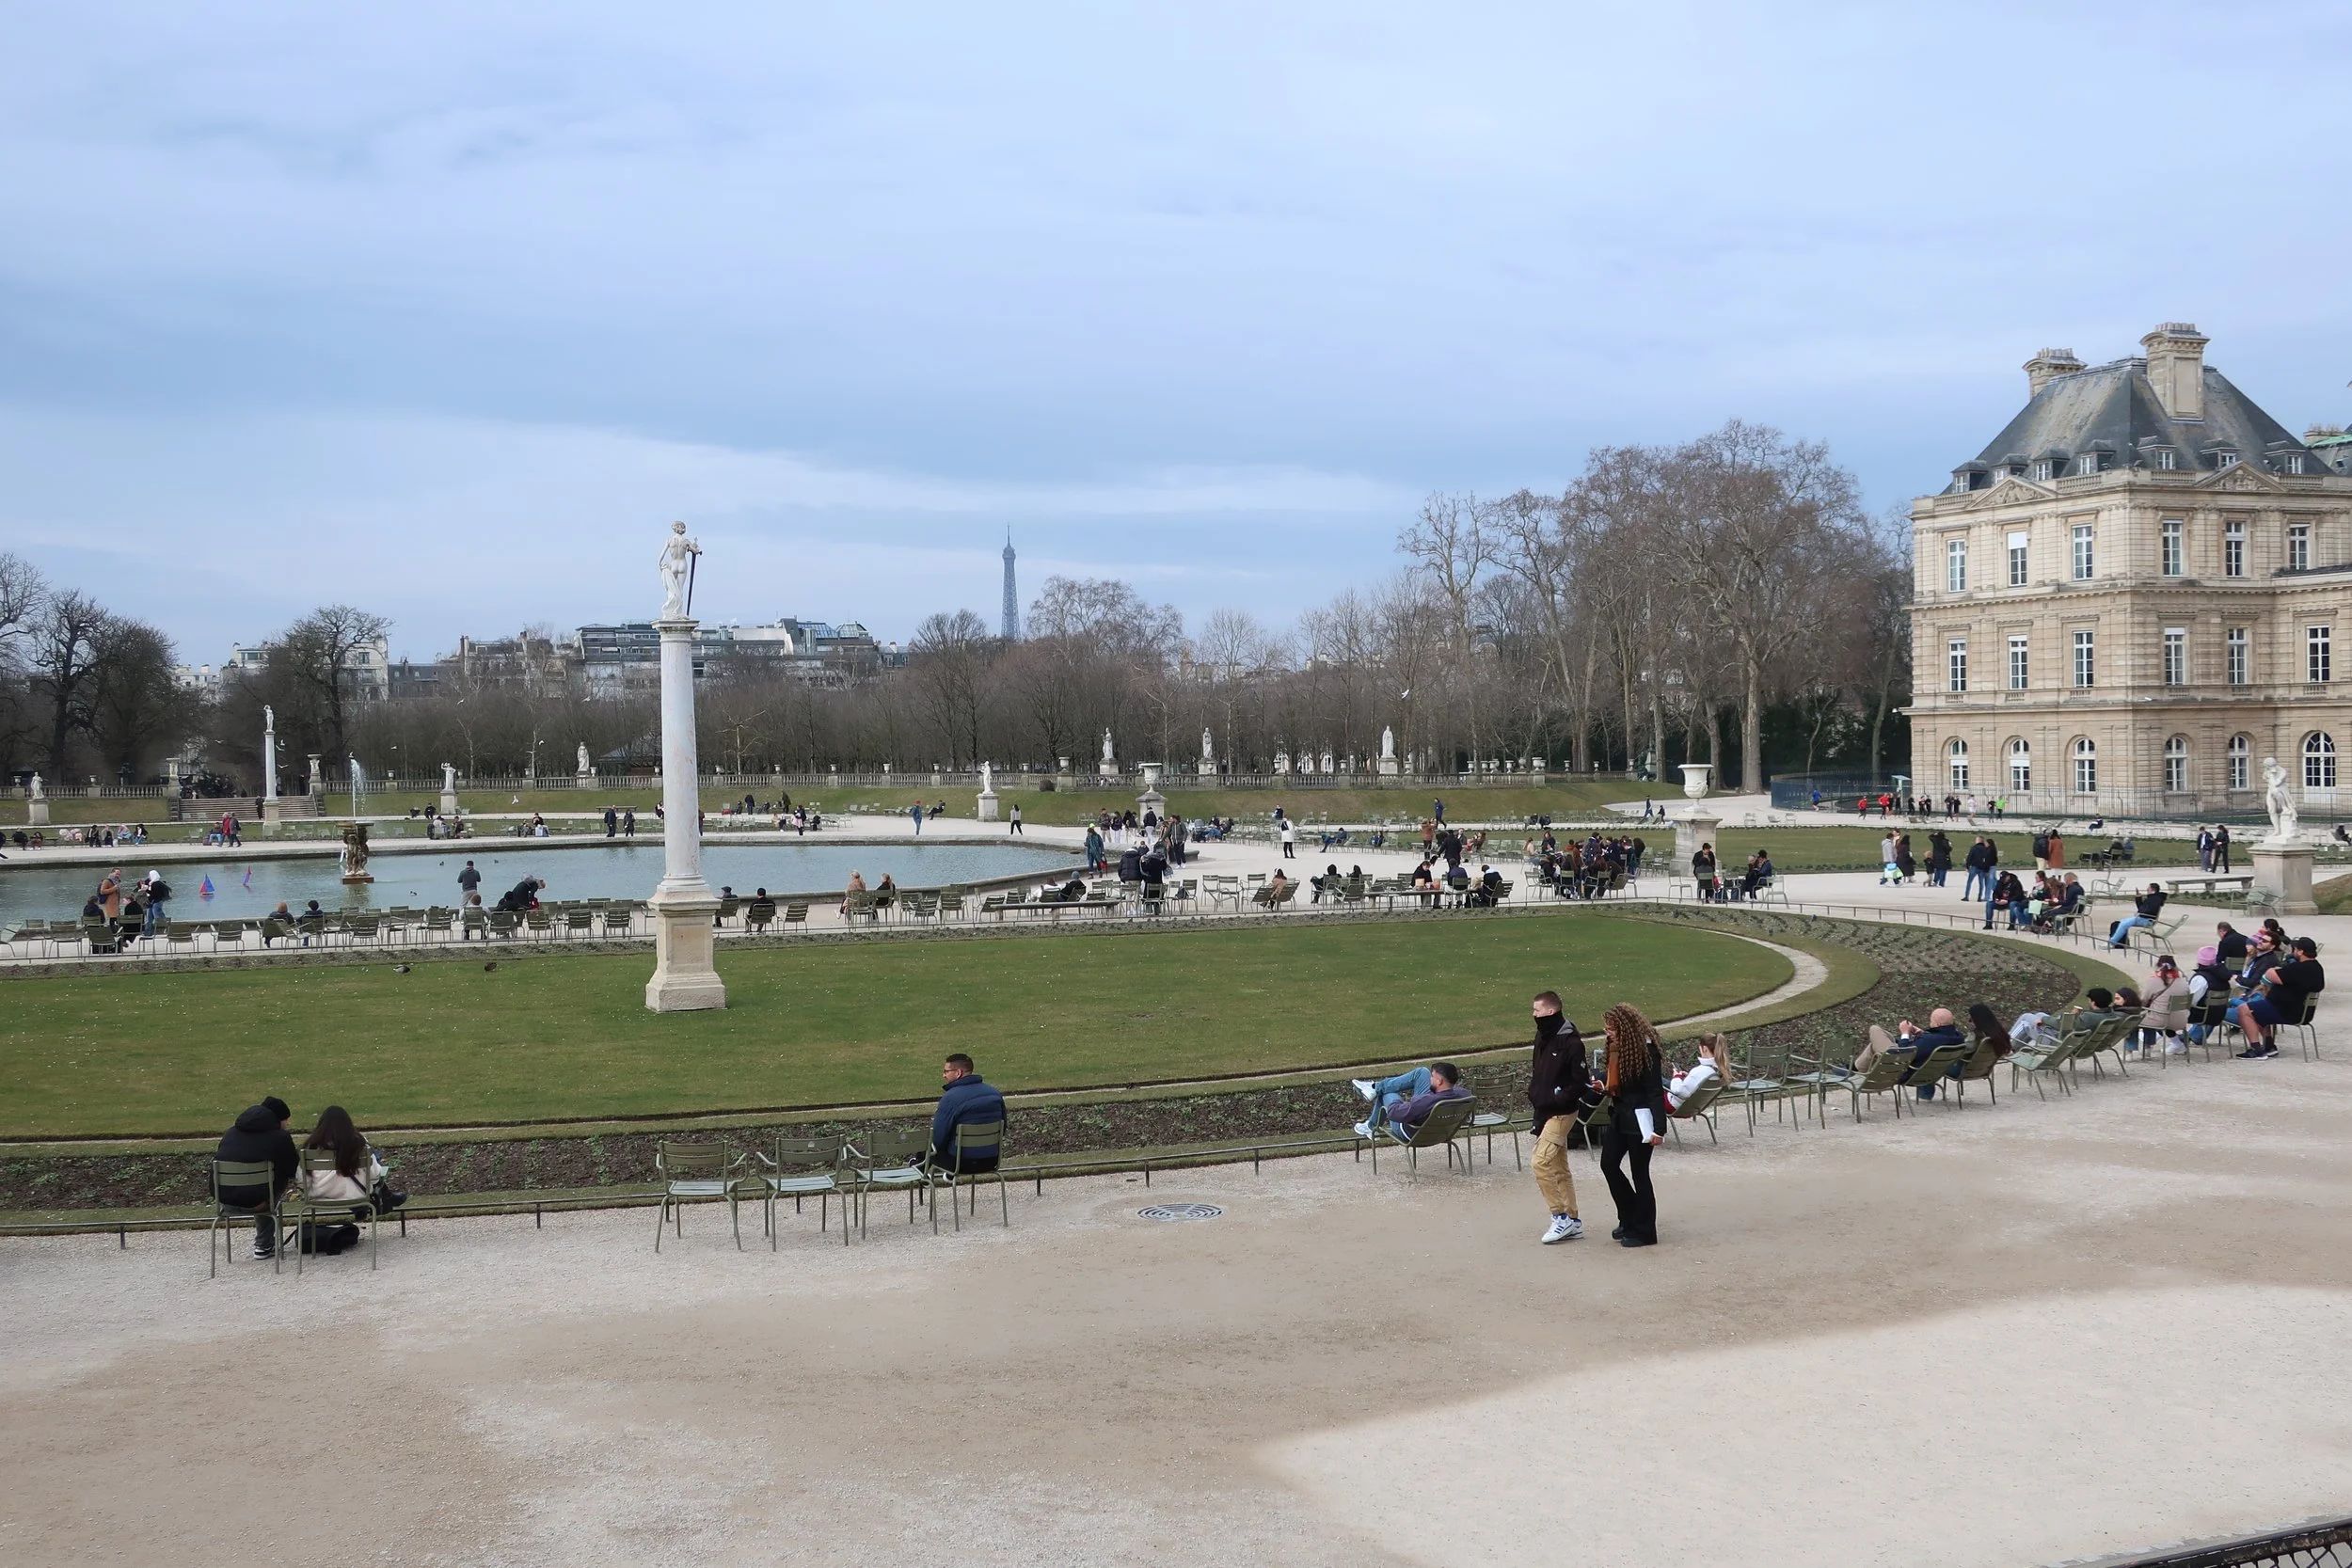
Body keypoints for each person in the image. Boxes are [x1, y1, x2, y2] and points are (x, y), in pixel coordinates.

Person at [1597, 1005, 1668, 1247]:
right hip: (1620, 1115)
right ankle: (1629, 1216)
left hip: (1640, 1120)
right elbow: (1617, 1084)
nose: (1608, 1033)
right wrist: (1603, 1085)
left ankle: (1646, 1230)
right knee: (1608, 1164)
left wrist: (1659, 1128)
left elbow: (1654, 1092)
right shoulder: (1617, 1050)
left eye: (1612, 1029)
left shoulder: (1646, 1052)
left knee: (1640, 1173)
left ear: (1625, 1028)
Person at [1522, 994, 1589, 1243]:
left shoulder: (1571, 1043)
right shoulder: (1542, 1037)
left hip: (1562, 1112)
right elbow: (1538, 1071)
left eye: (1537, 1010)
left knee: (1540, 1162)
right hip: (1545, 1110)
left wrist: (1558, 1099)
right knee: (1560, 1168)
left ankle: (1560, 1217)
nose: (1534, 1014)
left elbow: (1580, 1082)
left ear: (1550, 1011)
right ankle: (1573, 1219)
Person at [298, 1105, 402, 1255]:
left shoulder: (309, 1148)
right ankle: (383, 1200)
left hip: (319, 1198)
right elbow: (374, 1176)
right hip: (357, 1196)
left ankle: (383, 1200)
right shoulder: (360, 1144)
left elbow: (302, 1181)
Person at [215, 1096, 298, 1259]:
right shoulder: (280, 1137)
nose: (287, 1124)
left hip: (226, 1202)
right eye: (286, 1120)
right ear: (278, 1119)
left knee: (258, 1187)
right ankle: (264, 1244)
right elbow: (291, 1170)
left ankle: (264, 1244)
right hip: (260, 1204)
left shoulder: (231, 1133)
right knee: (268, 1188)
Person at [2235, 938, 2324, 1059]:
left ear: (2300, 952)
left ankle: (2256, 1050)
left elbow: (2270, 974)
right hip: (2303, 1011)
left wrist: (2273, 970)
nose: (2292, 952)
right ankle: (2269, 1046)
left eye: (2295, 949)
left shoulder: (2298, 968)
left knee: (2243, 1010)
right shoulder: (2317, 968)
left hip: (2286, 1011)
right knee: (2258, 1009)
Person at [927, 1053, 1006, 1173]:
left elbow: (937, 1139)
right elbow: (1003, 1128)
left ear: (958, 1073)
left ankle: (917, 1178)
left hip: (960, 1163)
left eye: (946, 1071)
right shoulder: (994, 1094)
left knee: (925, 1148)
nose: (943, 1075)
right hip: (991, 1161)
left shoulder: (950, 1098)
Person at [1354, 1061, 1469, 1141]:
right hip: (1441, 1133)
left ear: (1439, 1082)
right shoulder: (1465, 1095)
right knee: (1422, 1072)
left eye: (1432, 1077)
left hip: (1412, 1134)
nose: (1430, 1079)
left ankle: (1371, 1124)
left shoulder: (1425, 1102)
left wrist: (1400, 1102)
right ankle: (1374, 1088)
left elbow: (1394, 1114)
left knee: (1388, 1093)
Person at [2135, 956, 2192, 1058]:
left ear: (2158, 966)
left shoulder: (2154, 981)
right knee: (2164, 1013)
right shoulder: (2184, 983)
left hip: (2161, 1020)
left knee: (2139, 1017)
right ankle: (2177, 1044)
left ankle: (2145, 1048)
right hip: (2181, 1020)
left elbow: (2143, 1002)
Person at [1668, 1033, 1729, 1109]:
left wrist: (1676, 1077)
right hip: (1697, 1106)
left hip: (1677, 1105)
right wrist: (1689, 1077)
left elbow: (1679, 1094)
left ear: (1705, 1049)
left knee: (1656, 1083)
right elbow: (1698, 1082)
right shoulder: (1720, 1070)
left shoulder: (1700, 1071)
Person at [2106, 884, 2168, 949]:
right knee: (2120, 922)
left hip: (2148, 920)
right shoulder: (2152, 898)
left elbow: (2152, 911)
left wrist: (2140, 914)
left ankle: (2112, 942)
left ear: (2153, 890)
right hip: (2143, 918)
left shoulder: (2155, 899)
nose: (2147, 890)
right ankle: (2119, 943)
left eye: (2148, 888)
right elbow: (2141, 909)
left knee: (2124, 924)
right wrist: (2138, 898)